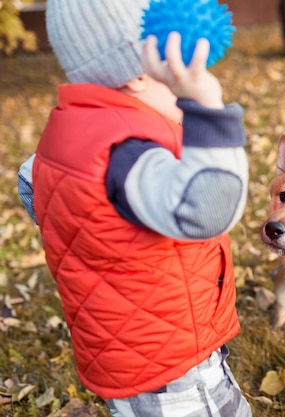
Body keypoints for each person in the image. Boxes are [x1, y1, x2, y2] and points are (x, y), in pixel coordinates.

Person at [16, 0, 252, 416]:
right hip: (168, 359)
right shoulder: (128, 156)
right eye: (174, 83)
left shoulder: (68, 134)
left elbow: (32, 186)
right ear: (142, 73)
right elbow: (208, 208)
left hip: (126, 350)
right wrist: (207, 107)